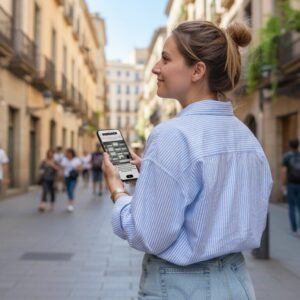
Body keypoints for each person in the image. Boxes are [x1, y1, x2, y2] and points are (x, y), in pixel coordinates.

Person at [102, 20, 273, 299]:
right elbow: (213, 191)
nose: (157, 67)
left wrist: (116, 190)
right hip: (237, 283)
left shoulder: (172, 135)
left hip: (181, 286)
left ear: (198, 70)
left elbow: (149, 235)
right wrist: (152, 170)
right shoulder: (247, 138)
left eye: (166, 59)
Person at [281, 138, 300, 236]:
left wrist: (283, 184)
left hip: (291, 184)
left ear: (290, 145)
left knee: (292, 206)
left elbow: (284, 171)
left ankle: (294, 229)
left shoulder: (287, 156)